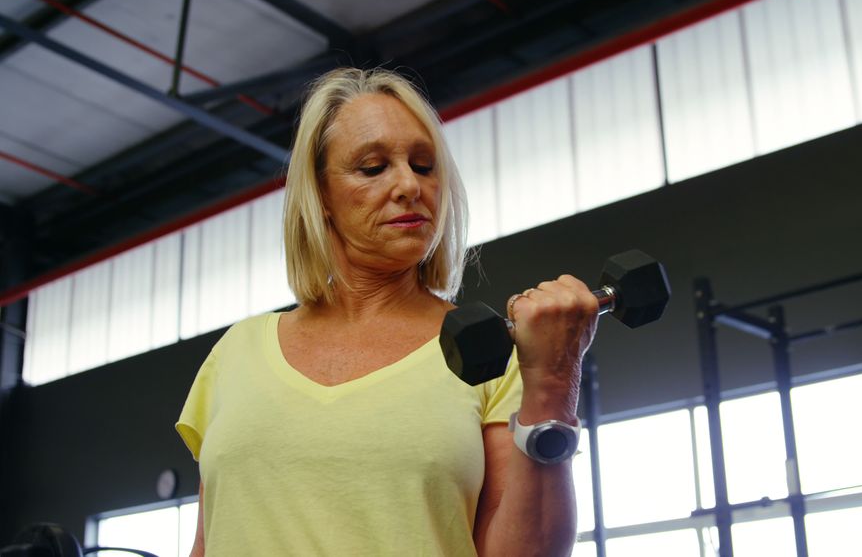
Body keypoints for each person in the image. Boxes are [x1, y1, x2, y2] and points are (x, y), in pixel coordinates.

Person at [175, 68, 598, 556]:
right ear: (321, 194)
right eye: (373, 168)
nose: (408, 186)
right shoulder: (236, 352)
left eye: (423, 166)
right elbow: (209, 542)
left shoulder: (496, 353)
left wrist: (554, 382)